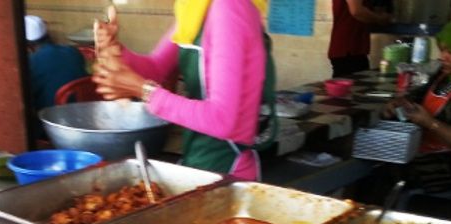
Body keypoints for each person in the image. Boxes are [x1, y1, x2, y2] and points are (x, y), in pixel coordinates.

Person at [91, 0, 275, 181]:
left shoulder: (229, 7)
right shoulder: (196, 7)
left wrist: (143, 90)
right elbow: (156, 68)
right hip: (199, 158)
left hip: (228, 168)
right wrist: (118, 51)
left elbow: (223, 119)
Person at [373, 14, 451, 200]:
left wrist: (429, 123)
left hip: (446, 170)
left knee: (373, 177)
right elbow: (418, 96)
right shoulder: (444, 76)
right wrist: (401, 103)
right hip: (419, 152)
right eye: (442, 50)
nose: (443, 57)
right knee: (370, 162)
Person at [25, 15, 88, 112]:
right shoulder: (72, 51)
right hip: (81, 113)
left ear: (28, 45)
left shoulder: (32, 62)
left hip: (51, 117)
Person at [328, 0, 392, 77]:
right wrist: (380, 19)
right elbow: (357, 11)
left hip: (353, 49)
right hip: (348, 49)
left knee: (360, 84)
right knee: (355, 85)